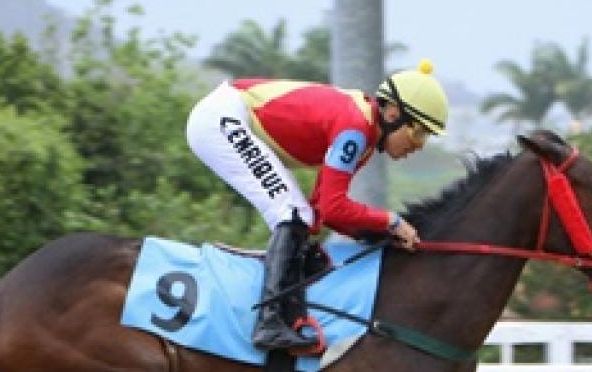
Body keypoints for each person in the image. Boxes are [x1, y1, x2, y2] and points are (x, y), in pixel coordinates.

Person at [186, 59, 449, 352]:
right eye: (419, 133)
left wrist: (379, 234)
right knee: (291, 213)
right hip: (221, 119)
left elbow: (323, 211)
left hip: (225, 114)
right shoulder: (356, 129)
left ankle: (279, 312)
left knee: (301, 215)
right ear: (393, 114)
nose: (419, 145)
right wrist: (390, 221)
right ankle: (269, 322)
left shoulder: (363, 134)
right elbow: (333, 207)